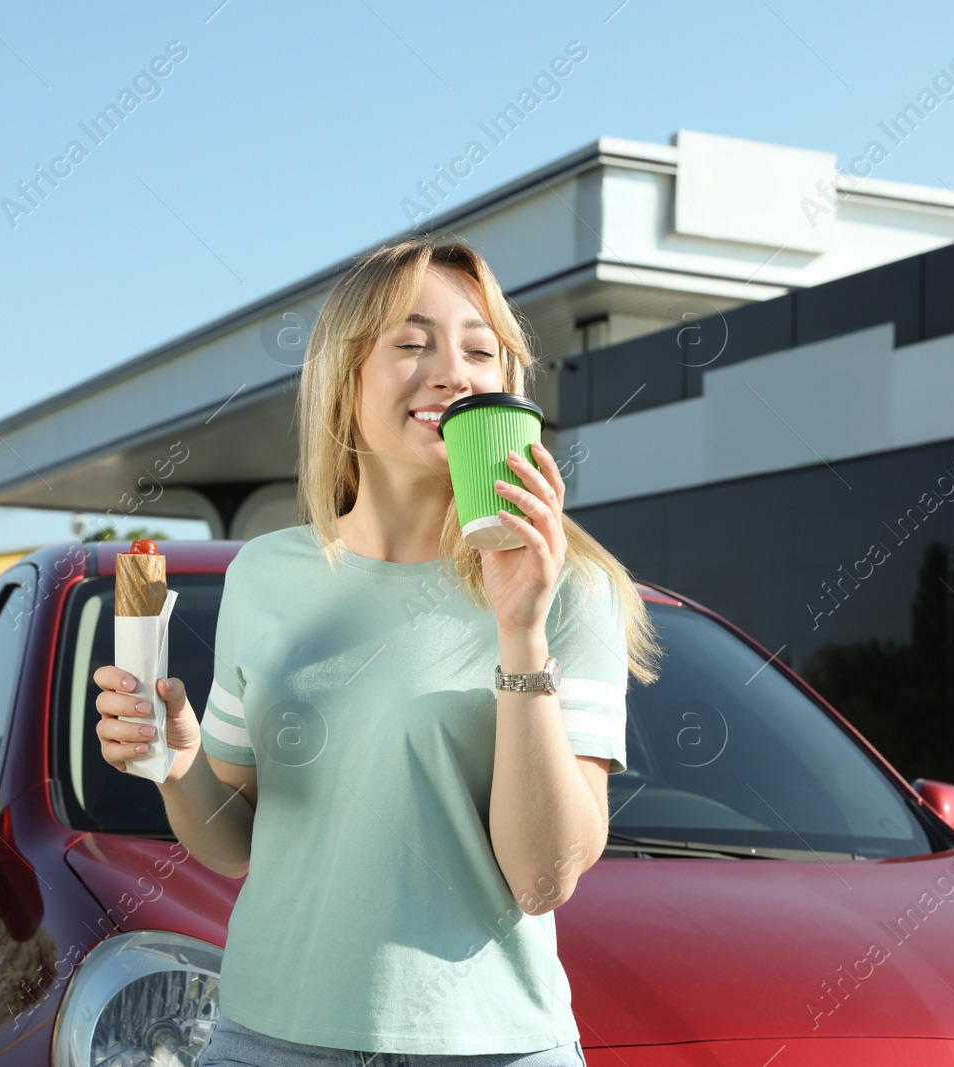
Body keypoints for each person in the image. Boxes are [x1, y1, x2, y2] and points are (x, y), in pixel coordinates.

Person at [92, 236, 663, 1066]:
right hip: (266, 1038)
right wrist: (180, 765)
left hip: (488, 1048)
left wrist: (520, 627)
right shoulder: (266, 574)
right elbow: (236, 842)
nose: (452, 372)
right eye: (411, 341)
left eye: (479, 348)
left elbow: (542, 879)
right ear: (344, 378)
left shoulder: (569, 589)